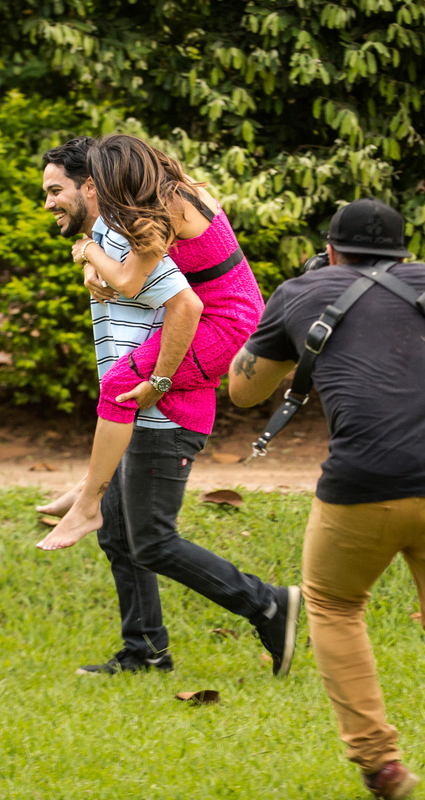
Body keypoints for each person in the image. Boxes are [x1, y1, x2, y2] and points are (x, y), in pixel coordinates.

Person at [227, 198, 425, 799]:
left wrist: (288, 317)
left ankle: (381, 765)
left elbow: (244, 391)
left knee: (332, 604)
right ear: (403, 252)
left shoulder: (300, 292)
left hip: (363, 483)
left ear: (330, 250)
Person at [37, 137, 300, 677]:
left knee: (119, 387)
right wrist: (92, 253)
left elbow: (136, 281)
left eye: (99, 184)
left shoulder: (158, 212)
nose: (101, 196)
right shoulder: (173, 195)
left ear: (112, 178)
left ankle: (268, 603)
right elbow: (132, 274)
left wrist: (86, 253)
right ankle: (144, 650)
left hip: (224, 326)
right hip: (226, 317)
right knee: (120, 532)